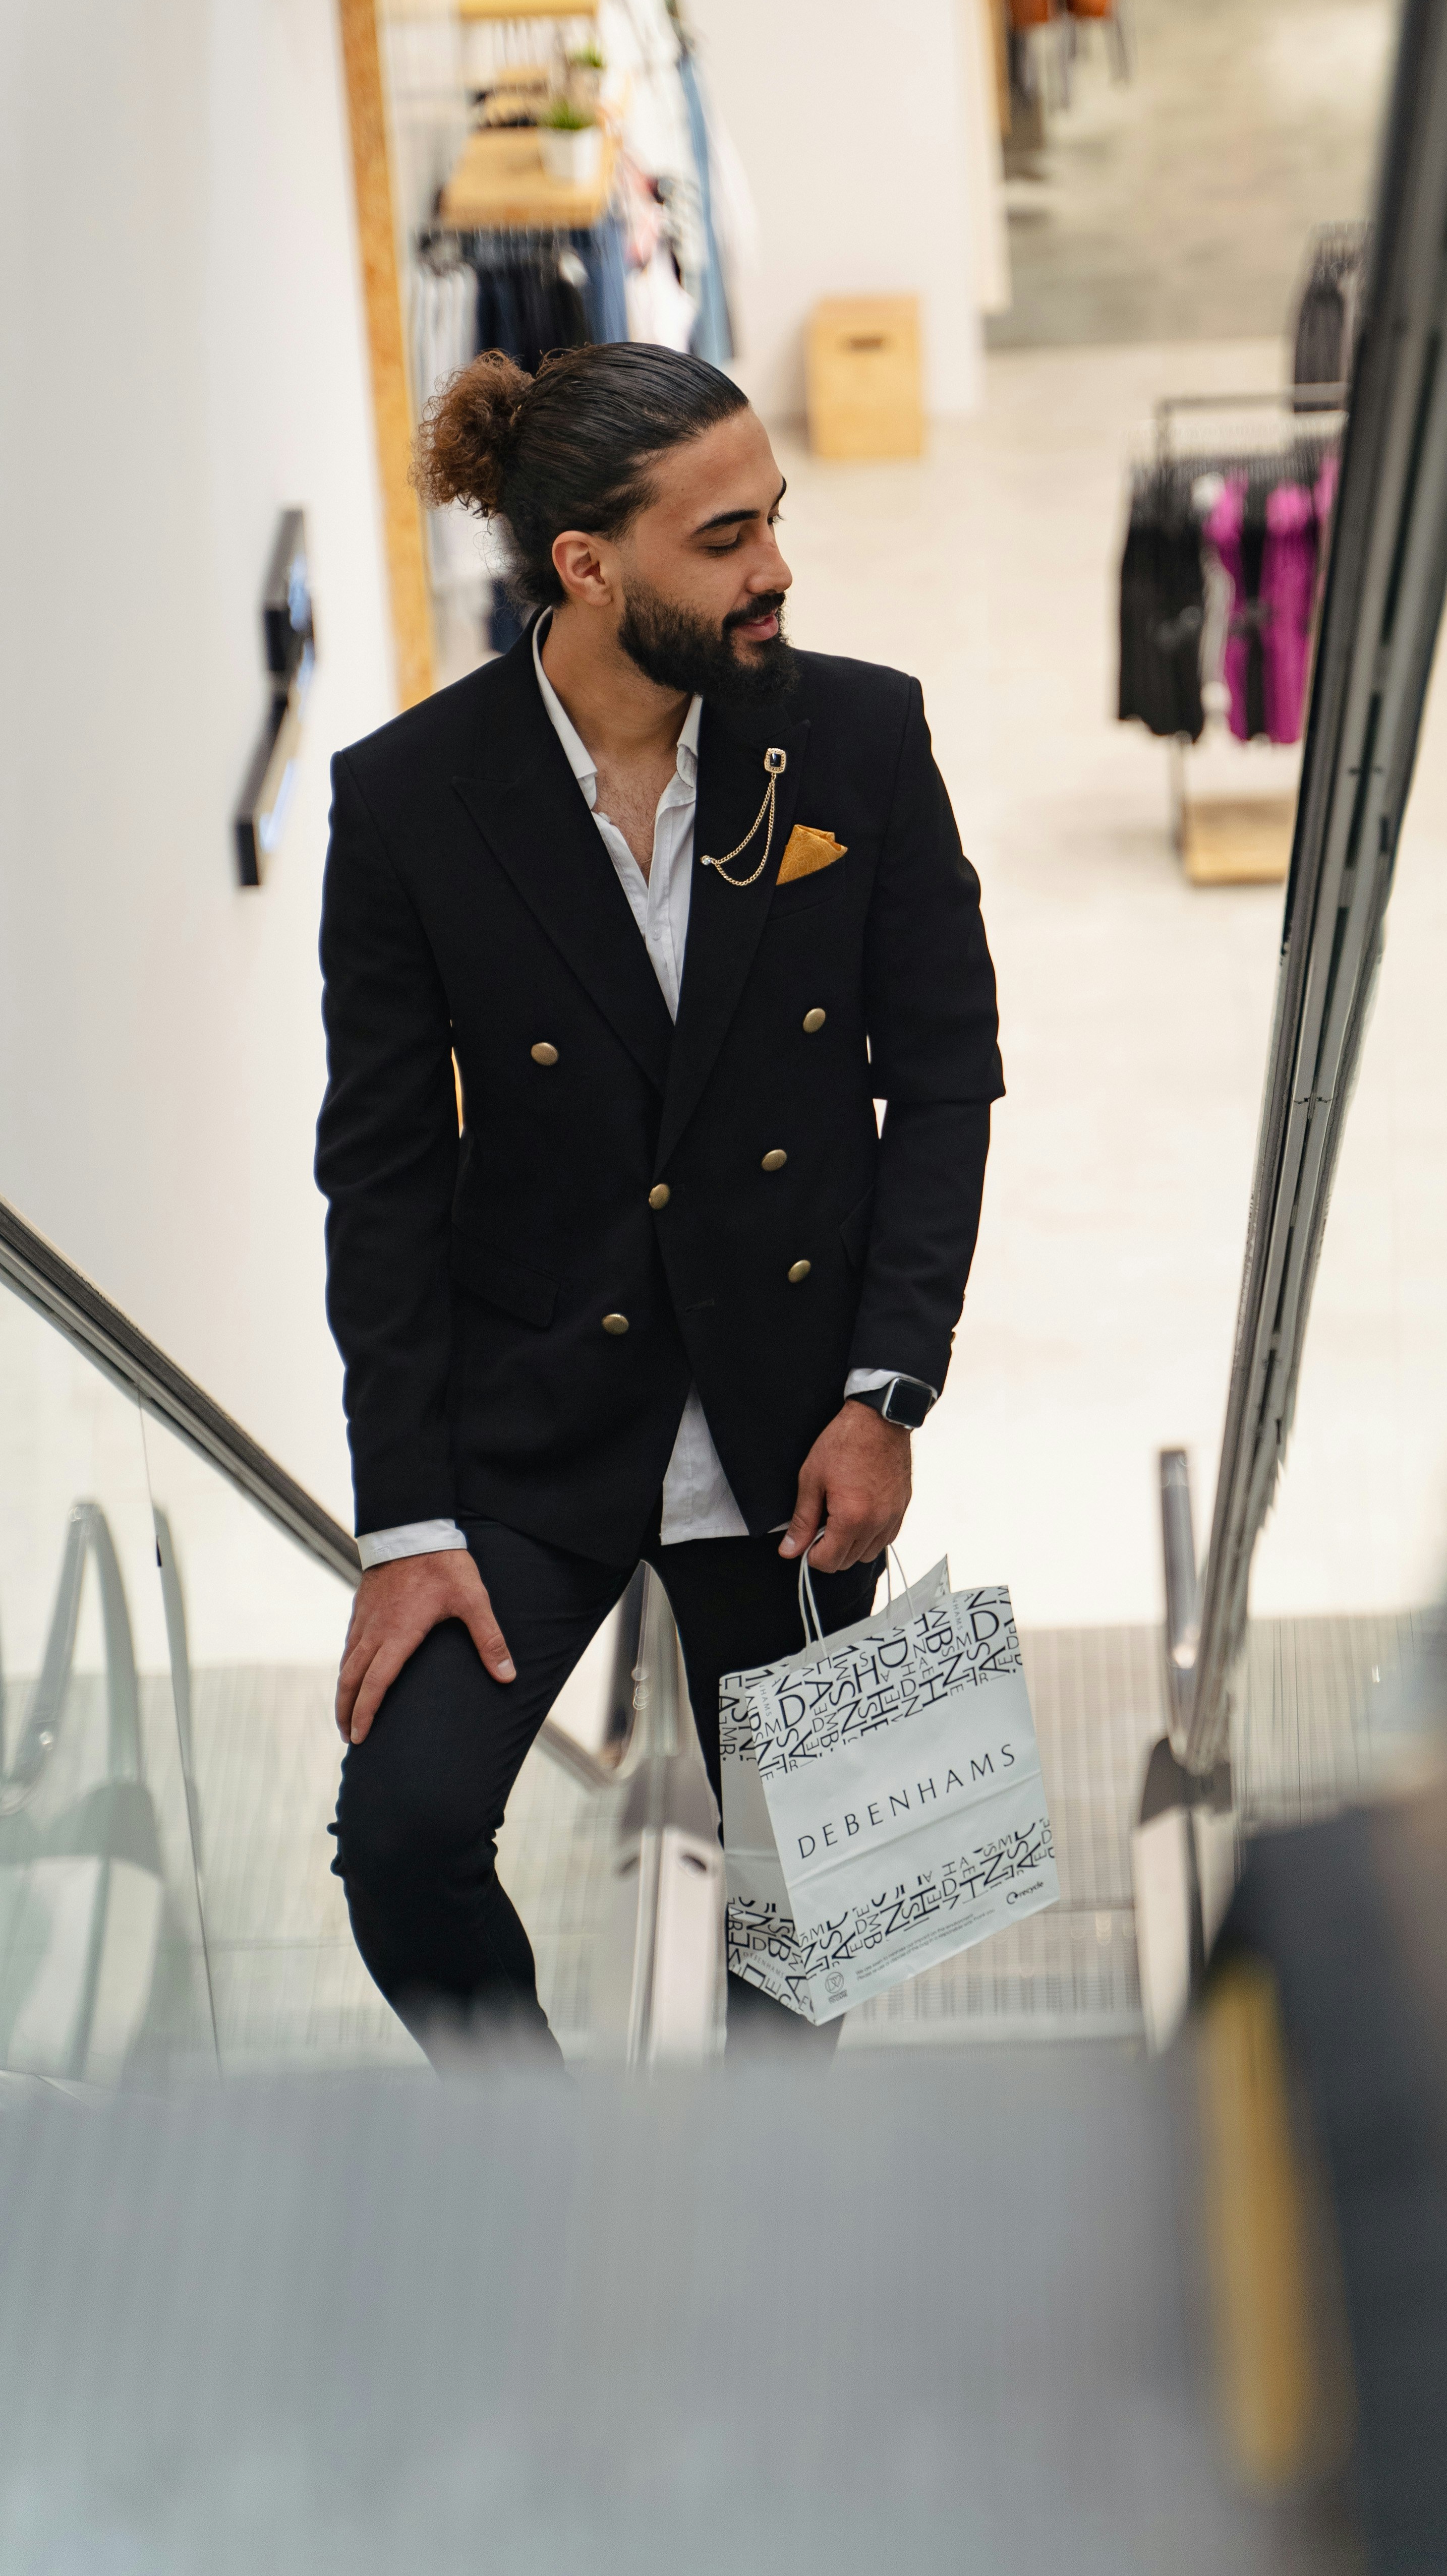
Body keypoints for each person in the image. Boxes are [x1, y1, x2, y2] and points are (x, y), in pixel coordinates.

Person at [316, 342, 1003, 2062]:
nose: (775, 567)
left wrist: (887, 1392)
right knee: (398, 1841)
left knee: (829, 1911)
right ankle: (545, 2169)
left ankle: (745, 2244)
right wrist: (405, 1522)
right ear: (589, 566)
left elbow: (944, 1083)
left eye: (773, 519)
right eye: (725, 539)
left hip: (803, 1430)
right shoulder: (406, 802)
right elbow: (382, 1179)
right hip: (532, 1429)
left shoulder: (861, 733)